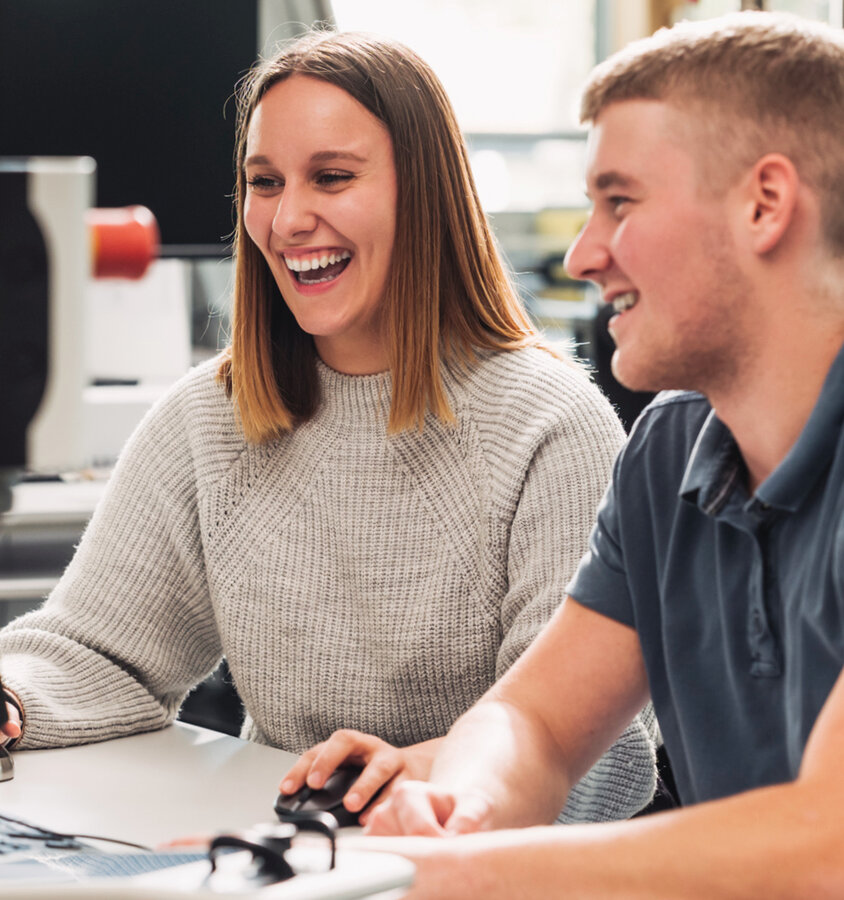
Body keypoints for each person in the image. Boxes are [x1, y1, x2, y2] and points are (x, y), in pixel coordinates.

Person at [0, 30, 657, 824]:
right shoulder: (211, 416)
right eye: (264, 182)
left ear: (425, 192)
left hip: (474, 860)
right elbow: (99, 653)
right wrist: (2, 700)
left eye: (332, 178)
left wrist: (420, 781)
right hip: (285, 848)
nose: (288, 219)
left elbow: (597, 752)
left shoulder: (550, 428)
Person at [337, 11, 844, 897]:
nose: (582, 255)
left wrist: (450, 870)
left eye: (620, 202)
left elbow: (826, 843)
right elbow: (535, 723)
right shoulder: (670, 452)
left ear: (765, 204)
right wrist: (459, 806)